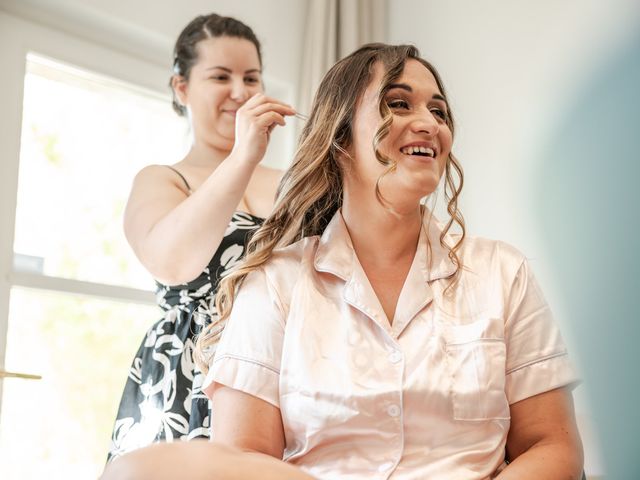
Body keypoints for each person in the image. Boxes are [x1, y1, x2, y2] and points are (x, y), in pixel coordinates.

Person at [103, 43, 584, 479]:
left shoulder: (504, 272)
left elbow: (553, 445)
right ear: (339, 137)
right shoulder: (277, 282)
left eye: (438, 110)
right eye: (399, 104)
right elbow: (244, 461)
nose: (430, 122)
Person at [107, 13, 295, 460]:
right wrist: (243, 155)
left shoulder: (292, 181)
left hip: (285, 369)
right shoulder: (161, 180)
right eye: (220, 76)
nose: (240, 91)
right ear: (182, 87)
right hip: (188, 374)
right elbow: (171, 262)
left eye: (251, 77)